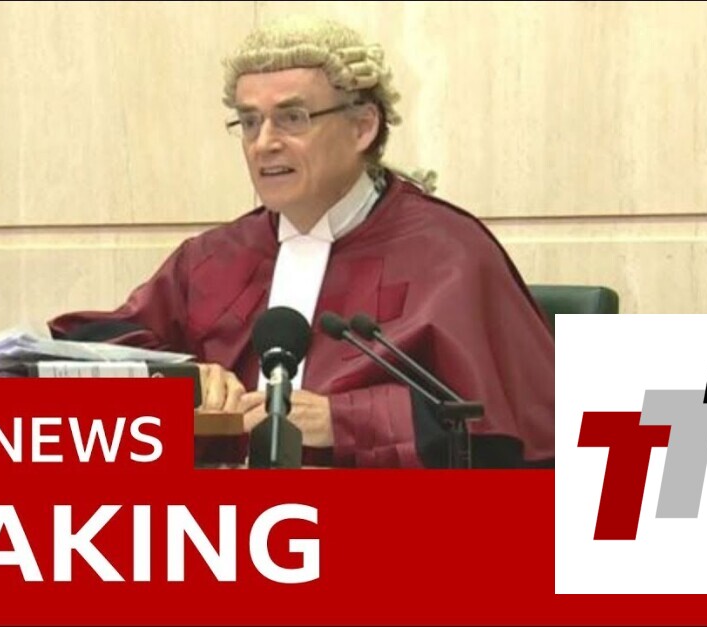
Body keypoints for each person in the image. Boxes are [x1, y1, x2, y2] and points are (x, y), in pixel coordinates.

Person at [48, 16, 555, 468]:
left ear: (362, 127)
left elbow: (505, 437)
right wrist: (186, 380)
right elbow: (93, 351)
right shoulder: (214, 257)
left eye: (292, 118)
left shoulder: (450, 254)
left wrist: (345, 421)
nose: (264, 143)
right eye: (249, 122)